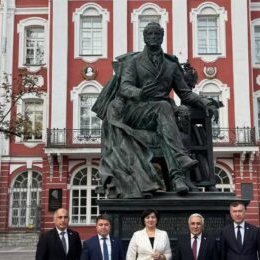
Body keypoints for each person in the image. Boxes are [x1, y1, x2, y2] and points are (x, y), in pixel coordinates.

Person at [94, 22, 220, 198]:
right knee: (164, 108)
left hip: (161, 112)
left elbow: (185, 93)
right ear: (145, 37)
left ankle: (177, 178)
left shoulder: (171, 64)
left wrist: (204, 102)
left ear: (162, 37)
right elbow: (125, 87)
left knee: (163, 111)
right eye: (150, 34)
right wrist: (139, 92)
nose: (153, 37)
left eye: (157, 34)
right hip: (136, 110)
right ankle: (181, 159)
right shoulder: (134, 62)